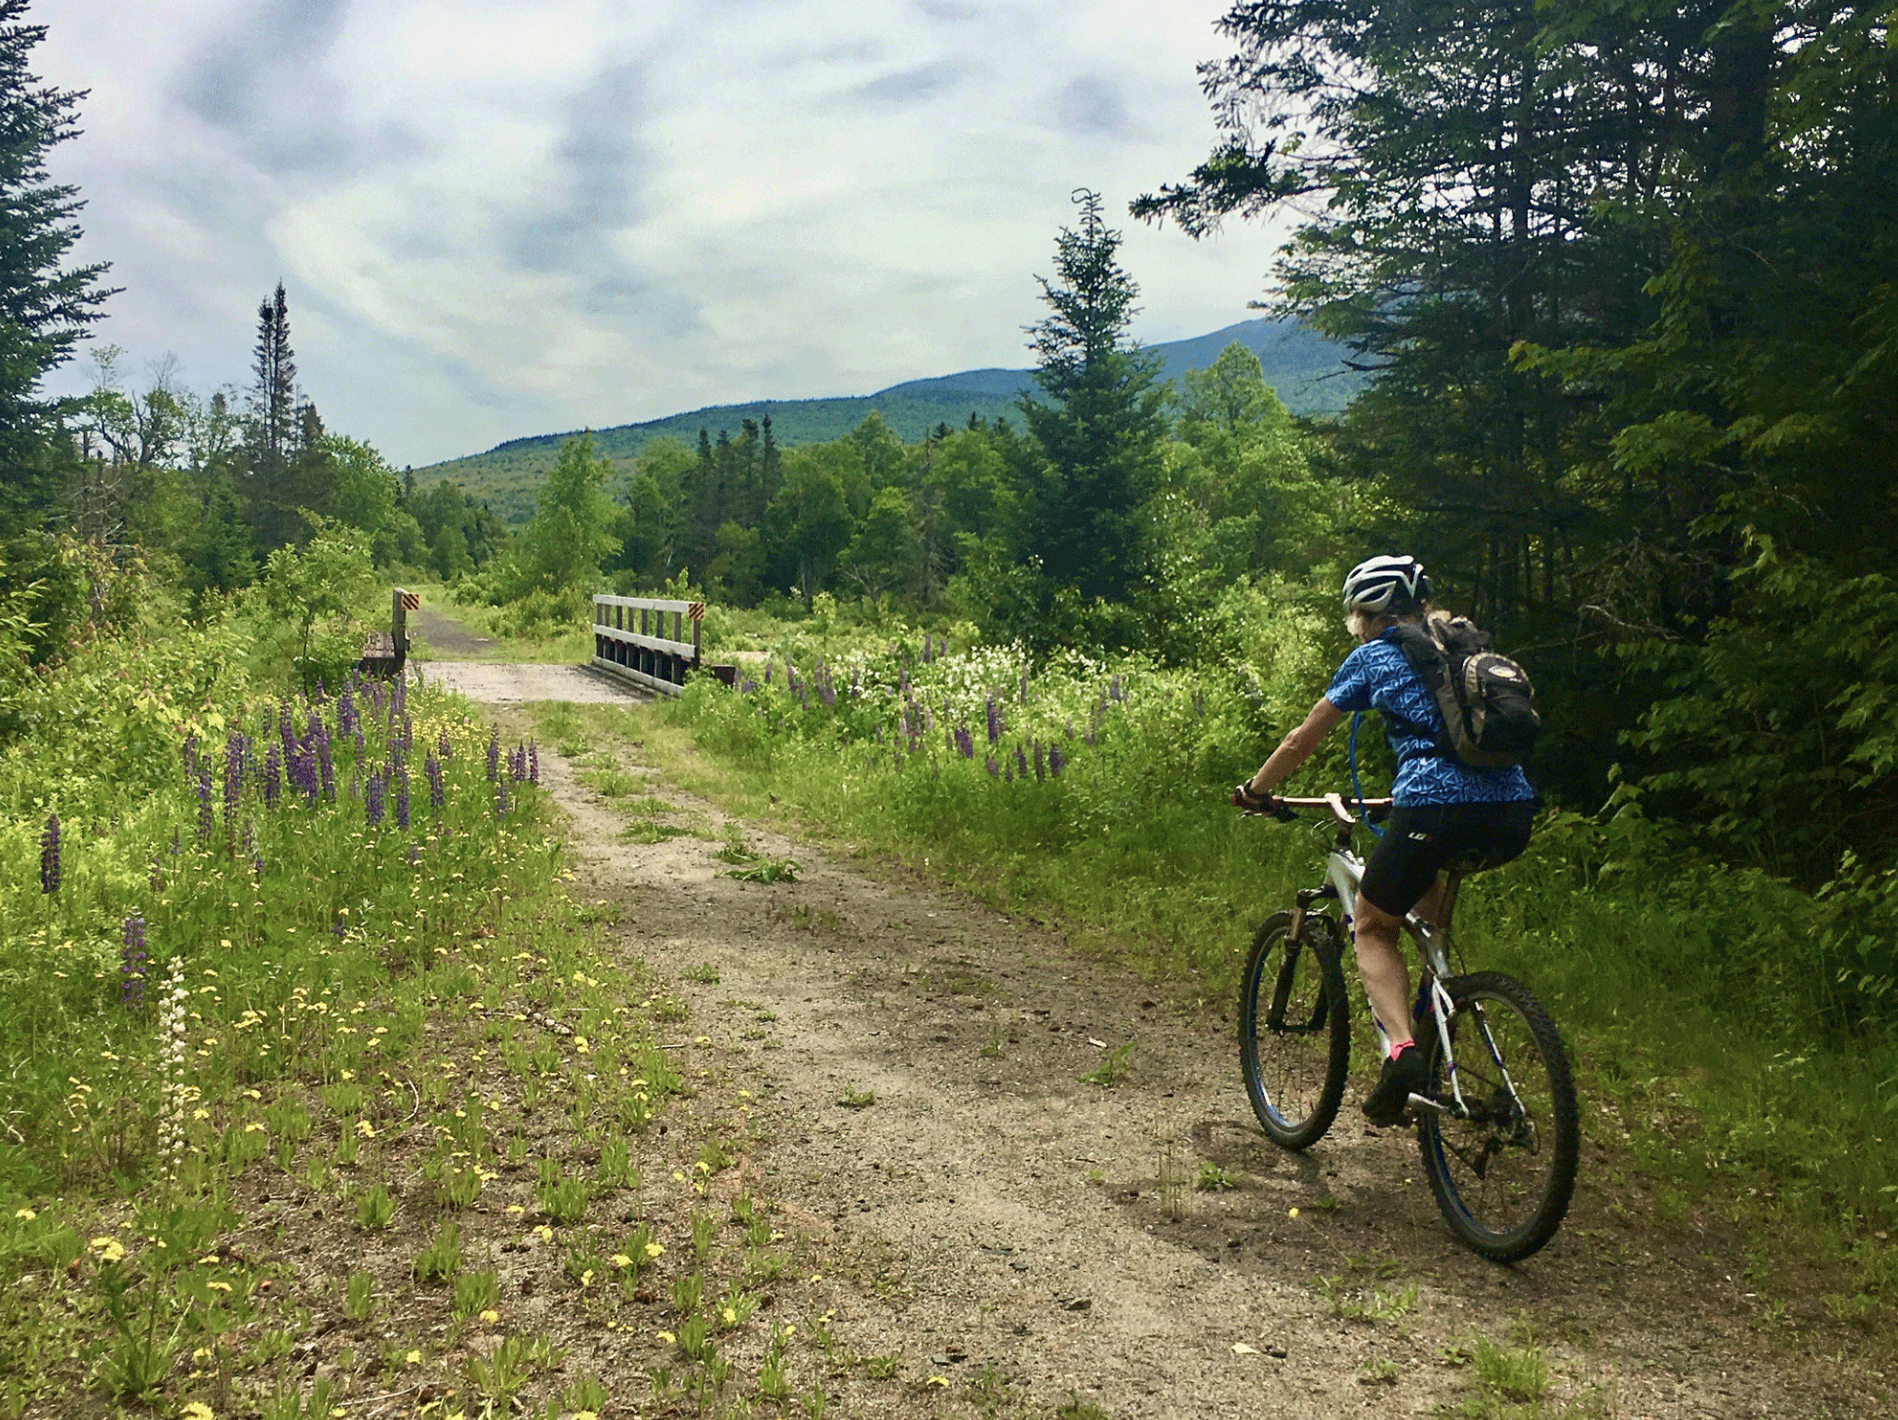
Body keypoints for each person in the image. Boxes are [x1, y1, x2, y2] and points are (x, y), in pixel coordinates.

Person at [1232, 555, 1536, 1125]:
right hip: (1512, 811)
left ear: (1368, 612)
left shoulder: (1375, 657)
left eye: (1354, 616)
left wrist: (1256, 789)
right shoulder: (1461, 649)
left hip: (1433, 808)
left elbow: (1302, 740)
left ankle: (1402, 1054)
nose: (1356, 627)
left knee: (1371, 926)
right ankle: (1436, 1027)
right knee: (1423, 917)